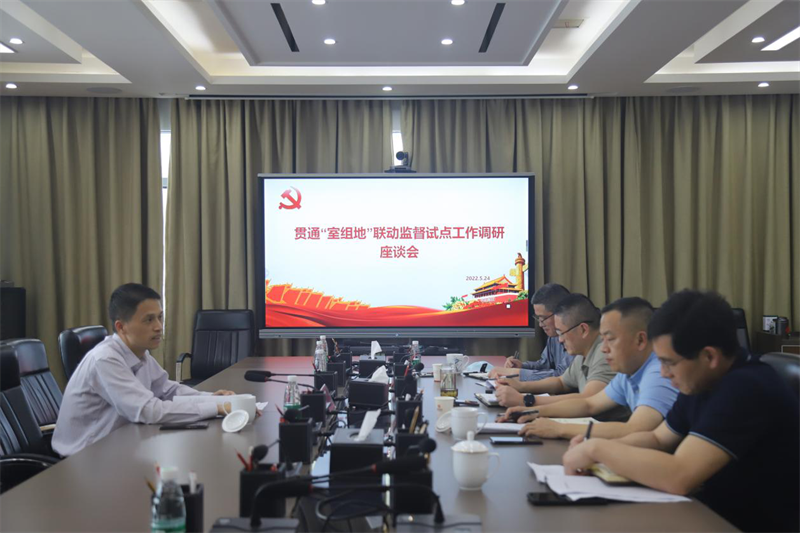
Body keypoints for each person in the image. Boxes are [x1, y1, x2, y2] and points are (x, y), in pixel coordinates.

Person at [562, 290, 800, 533]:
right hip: (711, 512)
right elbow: (657, 438)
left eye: (669, 362)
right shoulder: (701, 379)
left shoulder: (746, 387)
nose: (663, 373)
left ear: (709, 356)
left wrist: (597, 450)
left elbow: (679, 475)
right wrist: (596, 445)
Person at [53, 283, 237, 456]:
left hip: (120, 445)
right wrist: (217, 408)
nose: (158, 327)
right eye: (149, 320)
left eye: (160, 317)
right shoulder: (106, 359)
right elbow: (148, 410)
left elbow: (167, 390)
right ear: (121, 327)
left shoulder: (139, 353)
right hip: (85, 457)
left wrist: (212, 398)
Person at [500, 297, 678, 440]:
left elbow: (635, 429)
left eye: (610, 339)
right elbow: (590, 404)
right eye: (603, 339)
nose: (603, 348)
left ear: (640, 340)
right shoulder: (629, 371)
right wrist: (532, 411)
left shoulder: (658, 373)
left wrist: (560, 429)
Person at [494, 294, 626, 422]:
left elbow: (587, 400)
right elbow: (561, 382)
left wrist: (525, 401)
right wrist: (522, 386)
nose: (560, 340)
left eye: (561, 333)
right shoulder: (583, 353)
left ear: (583, 330)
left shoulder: (604, 353)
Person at [488, 283, 573, 382]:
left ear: (560, 313)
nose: (540, 324)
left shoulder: (576, 336)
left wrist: (515, 373)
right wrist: (522, 366)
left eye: (543, 318)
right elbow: (544, 365)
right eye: (538, 318)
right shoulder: (553, 335)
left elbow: (562, 376)